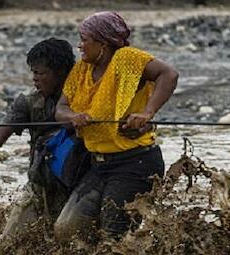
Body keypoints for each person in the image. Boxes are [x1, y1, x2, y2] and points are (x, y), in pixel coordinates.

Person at [54, 11, 179, 242]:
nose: (79, 46)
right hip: (98, 165)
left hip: (135, 164)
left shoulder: (127, 59)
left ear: (102, 43)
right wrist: (72, 116)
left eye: (84, 39)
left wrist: (147, 113)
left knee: (114, 238)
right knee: (66, 229)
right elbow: (60, 108)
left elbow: (168, 74)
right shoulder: (82, 69)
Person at [0, 38, 76, 249]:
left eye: (40, 73)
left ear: (62, 73)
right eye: (33, 73)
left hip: (77, 187)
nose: (35, 79)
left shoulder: (88, 100)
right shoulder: (28, 102)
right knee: (3, 249)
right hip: (39, 187)